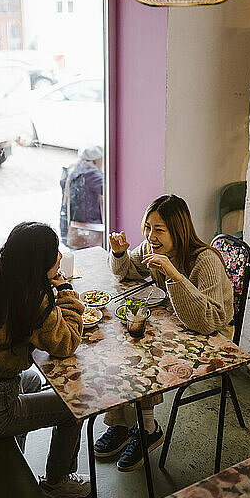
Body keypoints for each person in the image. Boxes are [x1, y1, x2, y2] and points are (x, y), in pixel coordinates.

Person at [0, 222, 91, 498]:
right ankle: (57, 483)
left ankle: (18, 453)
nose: (60, 257)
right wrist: (67, 291)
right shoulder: (31, 299)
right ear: (37, 264)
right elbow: (67, 342)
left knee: (34, 379)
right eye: (55, 253)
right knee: (74, 408)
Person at [94, 195, 234, 472]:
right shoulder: (151, 247)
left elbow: (209, 321)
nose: (150, 236)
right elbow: (128, 273)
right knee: (126, 341)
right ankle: (124, 424)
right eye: (147, 227)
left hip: (211, 338)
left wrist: (174, 276)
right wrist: (120, 253)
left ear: (179, 230)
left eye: (159, 229)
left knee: (140, 350)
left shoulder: (204, 260)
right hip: (177, 321)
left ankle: (147, 429)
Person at [60, 145, 103, 248]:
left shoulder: (71, 169)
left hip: (69, 226)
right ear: (97, 159)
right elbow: (109, 189)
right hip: (87, 231)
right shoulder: (91, 173)